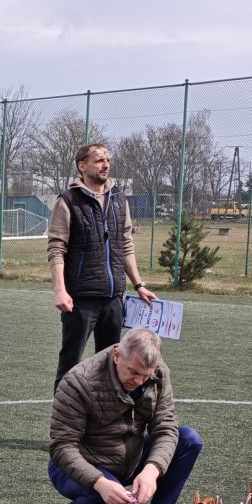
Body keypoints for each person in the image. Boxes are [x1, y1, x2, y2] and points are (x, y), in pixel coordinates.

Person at [48, 328, 202, 504]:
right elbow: (62, 447)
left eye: (146, 375)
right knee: (106, 497)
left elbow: (165, 427)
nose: (139, 381)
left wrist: (152, 469)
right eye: (133, 372)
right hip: (82, 463)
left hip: (130, 458)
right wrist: (100, 482)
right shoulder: (78, 382)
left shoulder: (158, 372)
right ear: (117, 355)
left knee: (189, 440)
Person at [47, 142, 159, 388]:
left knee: (112, 365)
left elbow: (125, 244)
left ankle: (106, 414)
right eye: (99, 160)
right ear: (82, 166)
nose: (105, 165)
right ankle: (64, 413)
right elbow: (56, 249)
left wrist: (138, 284)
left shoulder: (119, 198)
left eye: (107, 160)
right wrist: (60, 290)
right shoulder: (68, 201)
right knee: (70, 364)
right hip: (81, 299)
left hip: (113, 298)